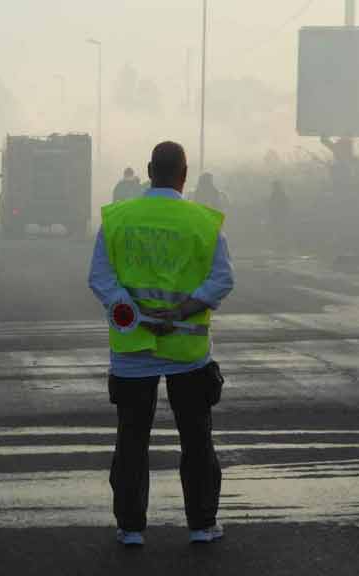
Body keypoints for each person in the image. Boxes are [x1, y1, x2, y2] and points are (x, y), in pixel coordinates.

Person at [88, 141, 234, 547]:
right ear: (184, 175)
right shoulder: (203, 222)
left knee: (132, 439)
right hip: (188, 353)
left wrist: (133, 312)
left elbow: (100, 278)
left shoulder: (118, 218)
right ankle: (201, 524)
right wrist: (183, 310)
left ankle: (131, 528)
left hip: (133, 352)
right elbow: (222, 279)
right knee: (197, 439)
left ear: (150, 170)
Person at [267, 180, 290, 253]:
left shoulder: (276, 195)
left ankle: (280, 247)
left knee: (279, 232)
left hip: (278, 217)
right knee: (279, 232)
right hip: (278, 217)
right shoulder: (281, 194)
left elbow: (271, 206)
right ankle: (280, 247)